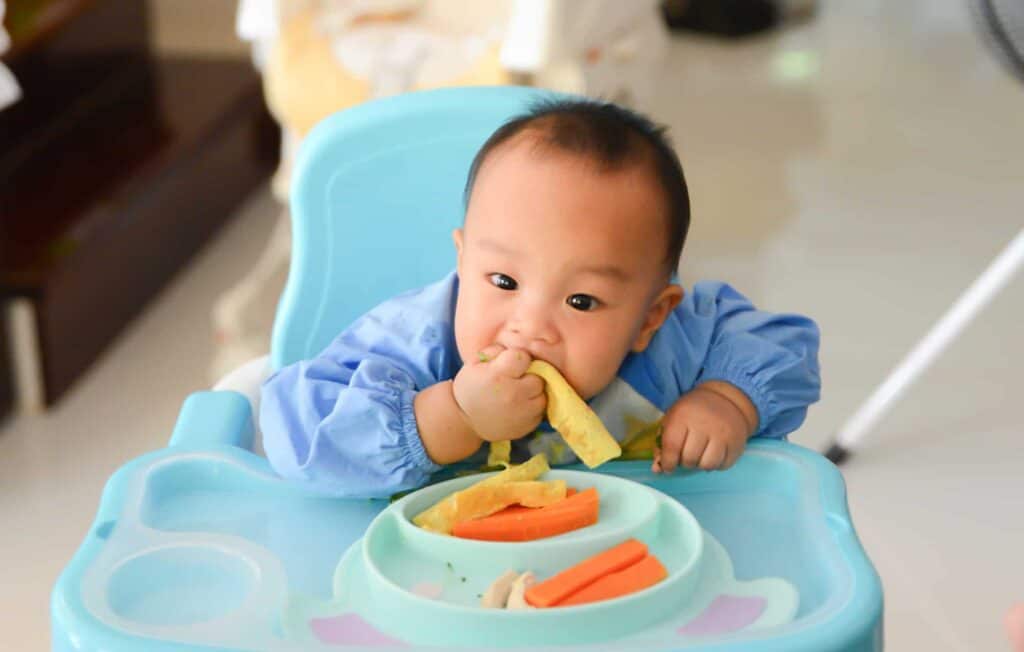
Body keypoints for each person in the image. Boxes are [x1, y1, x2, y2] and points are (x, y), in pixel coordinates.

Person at [259, 98, 821, 498]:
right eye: (502, 282)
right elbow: (294, 430)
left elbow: (781, 344)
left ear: (651, 316)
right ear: (463, 261)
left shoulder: (672, 346)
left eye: (580, 301)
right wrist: (449, 417)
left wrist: (726, 400)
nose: (528, 328)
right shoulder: (414, 342)